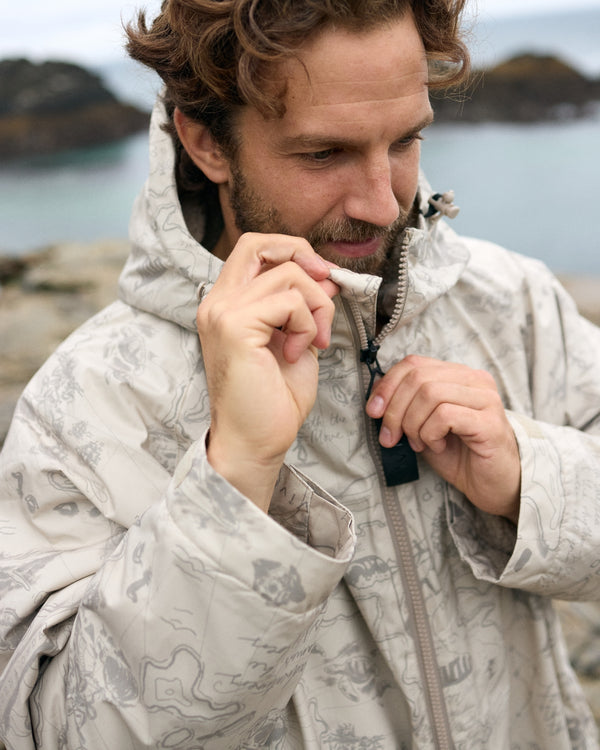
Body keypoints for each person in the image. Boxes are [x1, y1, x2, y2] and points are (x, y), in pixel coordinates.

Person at [1, 0, 599, 747]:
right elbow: (52, 731)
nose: (384, 203)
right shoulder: (83, 404)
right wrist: (236, 479)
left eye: (406, 140)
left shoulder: (515, 303)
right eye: (324, 154)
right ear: (205, 143)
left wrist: (526, 478)